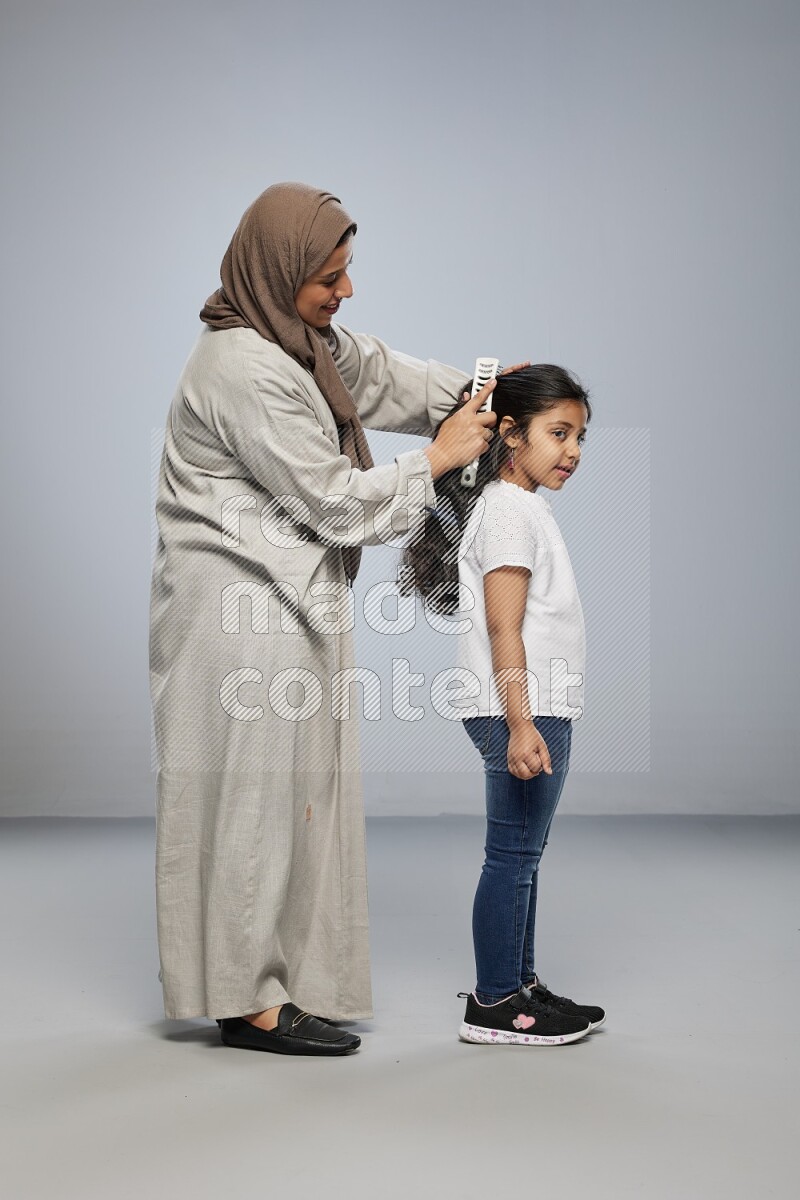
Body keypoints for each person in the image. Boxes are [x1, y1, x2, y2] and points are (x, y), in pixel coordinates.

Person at [149, 181, 507, 1056]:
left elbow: (375, 372)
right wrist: (437, 459)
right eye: (328, 277)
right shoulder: (241, 366)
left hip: (286, 599)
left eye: (348, 271)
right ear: (278, 275)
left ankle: (284, 981)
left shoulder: (297, 338)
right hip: (233, 612)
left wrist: (482, 392)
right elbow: (337, 505)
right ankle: (248, 1001)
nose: (344, 292)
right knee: (252, 804)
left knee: (298, 799)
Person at [399, 366, 606, 1045]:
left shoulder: (520, 506)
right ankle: (496, 1004)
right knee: (513, 855)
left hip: (533, 705)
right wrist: (520, 721)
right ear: (510, 434)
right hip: (521, 707)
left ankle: (520, 985)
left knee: (524, 854)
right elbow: (503, 626)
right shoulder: (509, 512)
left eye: (579, 436)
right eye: (557, 433)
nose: (571, 450)